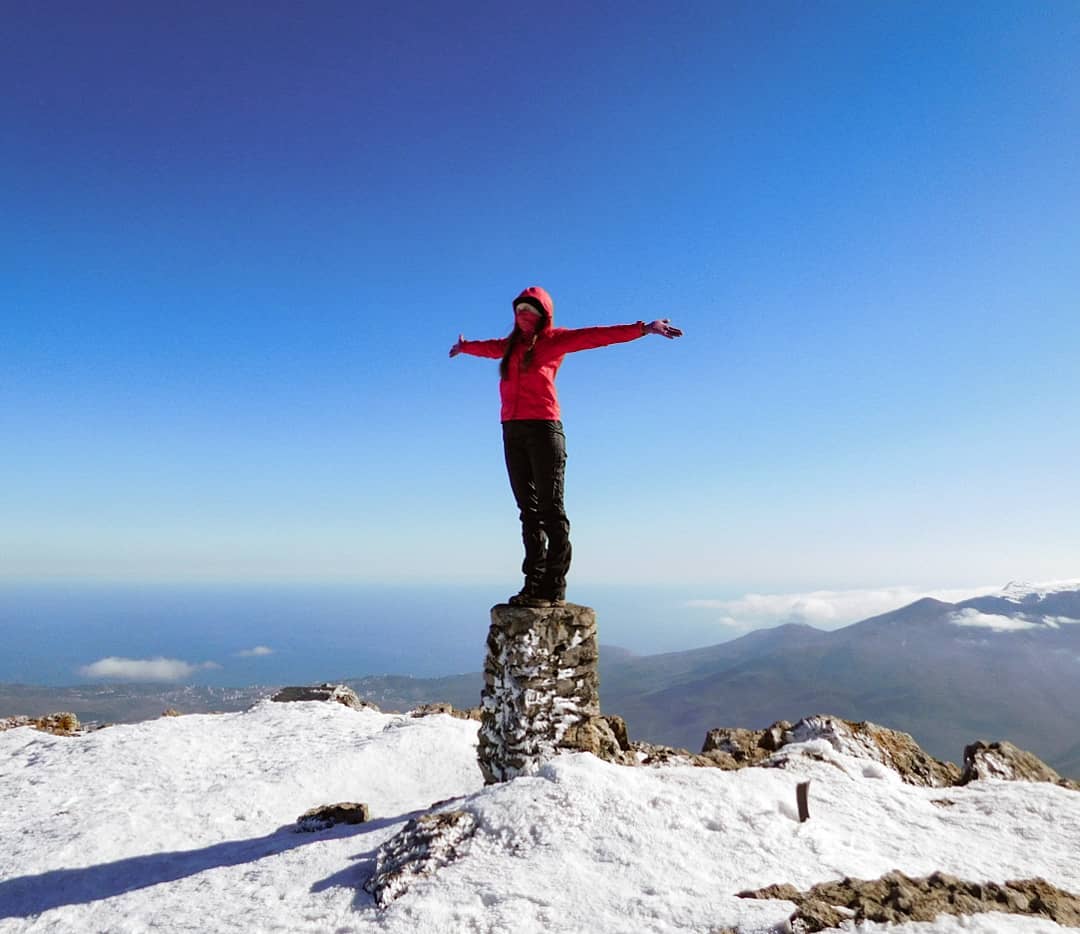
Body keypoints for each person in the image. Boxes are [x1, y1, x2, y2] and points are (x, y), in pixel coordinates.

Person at [450, 285, 682, 608]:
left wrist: (643, 328)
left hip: (545, 430)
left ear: (543, 315)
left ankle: (553, 587)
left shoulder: (553, 341)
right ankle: (533, 585)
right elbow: (486, 348)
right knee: (527, 513)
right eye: (518, 310)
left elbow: (596, 336)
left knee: (550, 510)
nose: (522, 315)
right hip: (511, 431)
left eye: (529, 310)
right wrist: (465, 348)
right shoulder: (509, 347)